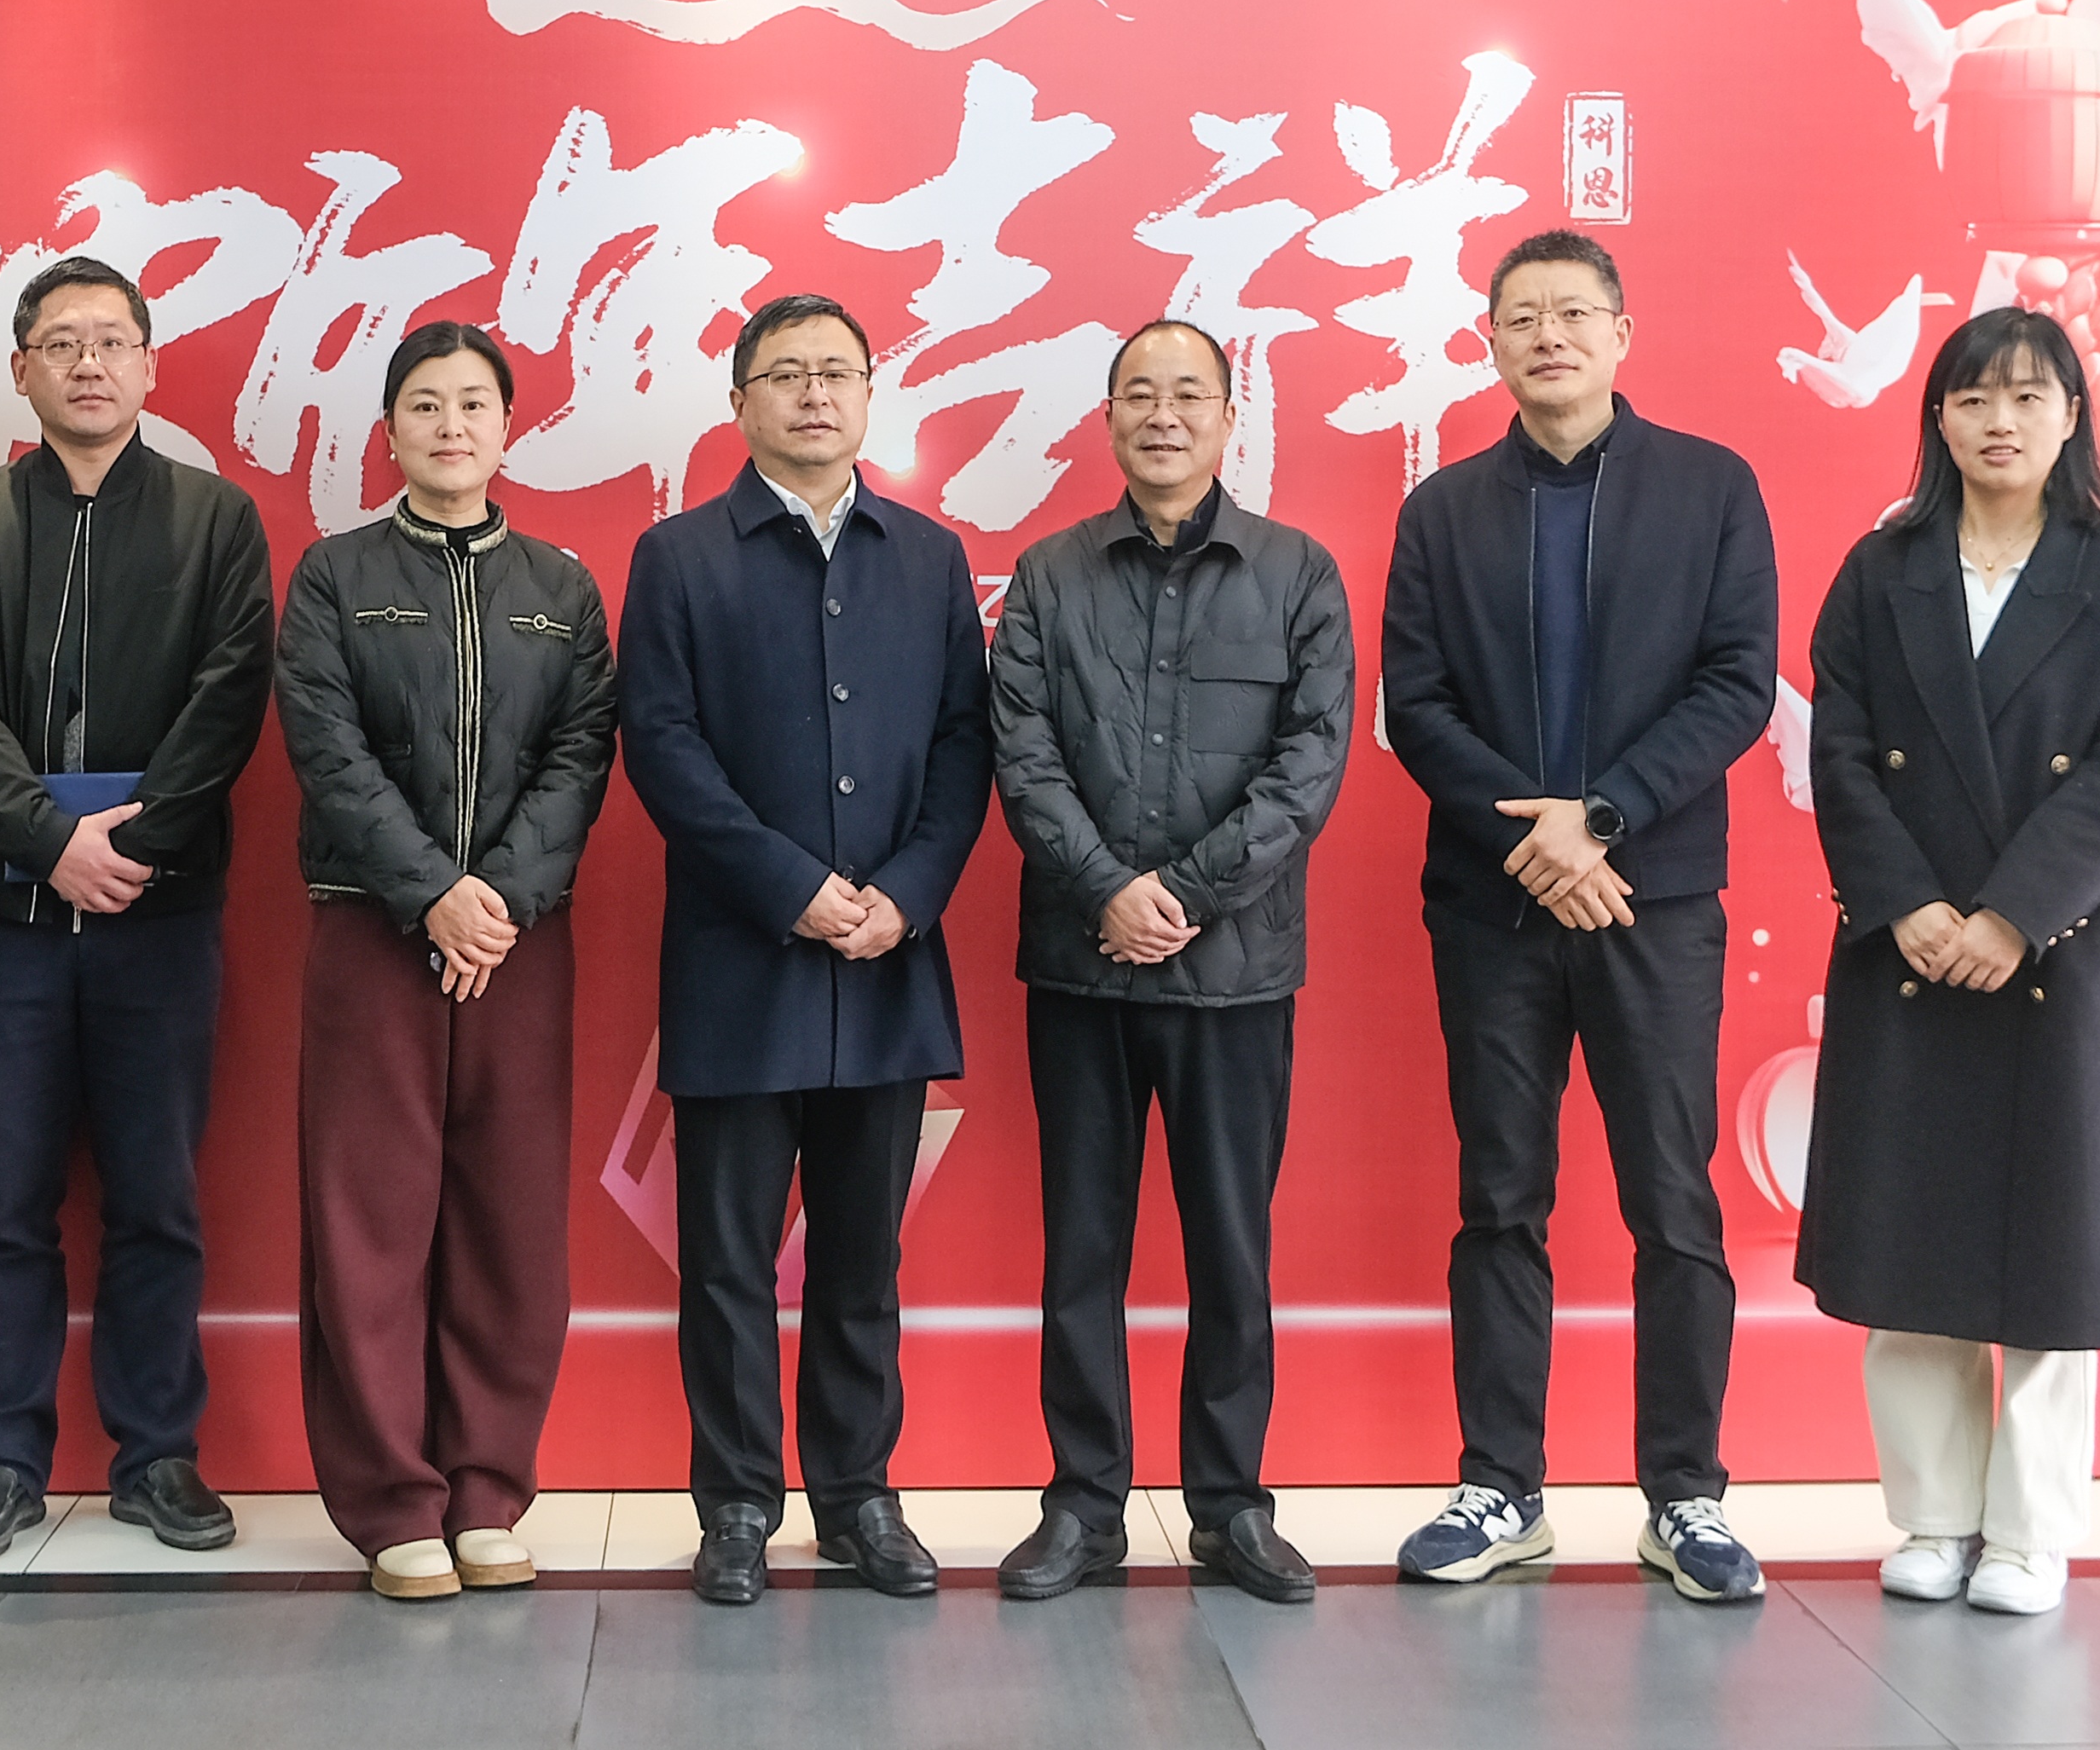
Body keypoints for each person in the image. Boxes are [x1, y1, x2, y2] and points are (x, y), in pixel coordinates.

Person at [1380, 228, 1777, 1603]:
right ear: (1488, 342)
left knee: (1673, 1199)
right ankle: (1501, 1483)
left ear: (1620, 333)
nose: (1547, 335)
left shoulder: (1709, 487)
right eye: (1521, 316)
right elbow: (1415, 704)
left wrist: (1597, 818)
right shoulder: (1442, 510)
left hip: (1650, 899)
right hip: (1492, 908)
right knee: (1499, 1197)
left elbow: (1735, 682)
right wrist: (1535, 843)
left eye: (1572, 312)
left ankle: (1685, 1494)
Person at [1799, 308, 2100, 1617]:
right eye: (1971, 398)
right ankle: (1932, 1516)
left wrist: (2013, 915)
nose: (1997, 421)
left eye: (2025, 397)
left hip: (2064, 946)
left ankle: (2028, 1533)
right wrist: (1904, 901)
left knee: (2055, 1254)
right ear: (1938, 420)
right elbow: (1840, 751)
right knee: (1913, 1244)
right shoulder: (1881, 568)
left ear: (2070, 416)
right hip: (1907, 942)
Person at [619, 290, 993, 1607]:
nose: (815, 393)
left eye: (837, 371)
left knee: (859, 1256)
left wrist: (907, 892)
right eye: (786, 373)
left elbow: (963, 743)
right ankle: (734, 1502)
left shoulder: (928, 556)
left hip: (887, 958)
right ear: (740, 402)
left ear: (870, 394)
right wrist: (791, 888)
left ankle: (856, 1496)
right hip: (740, 958)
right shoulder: (678, 556)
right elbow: (662, 745)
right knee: (725, 1259)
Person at [0, 254, 275, 1564]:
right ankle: (2, 1457)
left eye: (110, 340)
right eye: (59, 341)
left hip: (157, 907)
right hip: (2, 909)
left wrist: (132, 841)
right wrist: (45, 840)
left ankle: (157, 1451)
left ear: (149, 365)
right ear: (19, 370)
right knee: (4, 1194)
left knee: (155, 1194)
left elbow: (231, 694)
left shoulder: (213, 517)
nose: (86, 362)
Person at [986, 319, 1352, 1604]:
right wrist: (1107, 889)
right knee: (1080, 1251)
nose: (1162, 415)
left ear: (1226, 418)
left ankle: (1230, 1506)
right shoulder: (1048, 575)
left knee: (1230, 1252)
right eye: (1138, 394)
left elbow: (1308, 764)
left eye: (1188, 393)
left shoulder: (1298, 573)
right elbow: (1022, 752)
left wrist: (1182, 897)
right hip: (1081, 969)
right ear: (1106, 420)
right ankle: (1084, 1507)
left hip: (1235, 975)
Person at [275, 321, 619, 1602]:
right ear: (390, 431)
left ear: (508, 426)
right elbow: (326, 745)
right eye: (425, 404)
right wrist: (430, 894)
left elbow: (582, 750)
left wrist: (498, 899)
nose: (451, 425)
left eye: (474, 403)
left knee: (510, 1218)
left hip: (519, 938)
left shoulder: (560, 585)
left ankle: (486, 1488)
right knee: (368, 1217)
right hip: (371, 925)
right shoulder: (334, 575)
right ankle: (391, 1502)